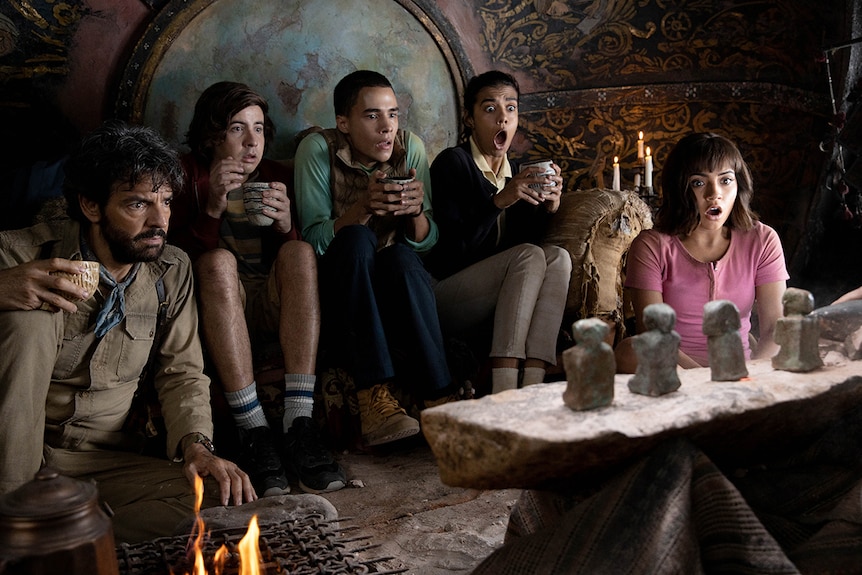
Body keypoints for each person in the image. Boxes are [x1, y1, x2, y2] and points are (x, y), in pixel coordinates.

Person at [0, 120, 255, 543]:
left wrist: (196, 445)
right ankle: (18, 518)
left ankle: (62, 536)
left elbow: (183, 374)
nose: (160, 221)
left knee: (219, 502)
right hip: (13, 457)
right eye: (138, 205)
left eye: (168, 202)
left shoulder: (170, 271)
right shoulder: (19, 253)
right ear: (91, 206)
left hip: (99, 463)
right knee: (30, 310)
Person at [169, 81, 345, 494]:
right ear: (212, 136)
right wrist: (212, 205)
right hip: (213, 306)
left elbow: (298, 268)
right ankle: (254, 431)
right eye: (237, 129)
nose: (252, 142)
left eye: (260, 128)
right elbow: (173, 263)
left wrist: (287, 228)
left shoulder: (279, 176)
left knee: (300, 252)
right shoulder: (184, 175)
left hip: (268, 301)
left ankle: (299, 421)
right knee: (216, 261)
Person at [293, 70, 456, 447]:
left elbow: (428, 244)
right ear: (343, 123)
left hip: (394, 285)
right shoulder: (317, 149)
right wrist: (363, 208)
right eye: (372, 116)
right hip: (340, 290)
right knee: (355, 238)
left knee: (399, 256)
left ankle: (440, 400)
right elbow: (314, 241)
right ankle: (373, 398)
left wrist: (416, 213)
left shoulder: (409, 147)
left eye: (393, 114)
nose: (387, 127)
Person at [425, 70, 571, 393]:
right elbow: (450, 252)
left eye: (511, 108)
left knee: (558, 258)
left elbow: (523, 255)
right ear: (469, 118)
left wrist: (548, 207)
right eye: (490, 109)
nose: (502, 118)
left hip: (493, 292)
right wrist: (499, 201)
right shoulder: (453, 164)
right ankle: (505, 388)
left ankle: (534, 381)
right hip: (444, 294)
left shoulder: (516, 173)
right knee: (529, 256)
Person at [614, 132, 788, 372]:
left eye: (725, 180)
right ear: (680, 188)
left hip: (742, 374)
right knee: (630, 350)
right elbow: (654, 334)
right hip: (676, 372)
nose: (714, 193)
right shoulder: (651, 245)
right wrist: (705, 383)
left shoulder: (763, 240)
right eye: (698, 182)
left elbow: (774, 329)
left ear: (739, 185)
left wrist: (752, 373)